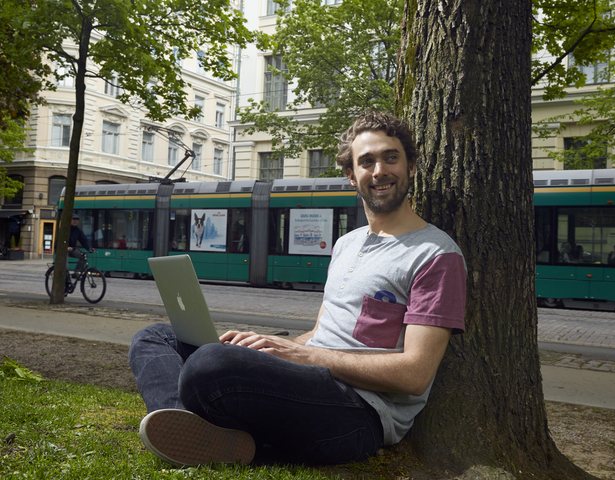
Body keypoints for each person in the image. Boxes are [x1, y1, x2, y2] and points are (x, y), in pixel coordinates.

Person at [128, 111, 467, 467]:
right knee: (155, 337)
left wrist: (302, 356)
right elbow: (322, 334)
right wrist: (269, 346)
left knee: (210, 364)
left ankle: (199, 427)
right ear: (353, 176)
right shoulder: (346, 245)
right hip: (306, 381)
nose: (380, 170)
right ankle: (184, 424)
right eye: (367, 161)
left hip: (360, 413)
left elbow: (415, 374)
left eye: (390, 157)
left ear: (411, 166)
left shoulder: (436, 254)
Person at [67, 213, 95, 278]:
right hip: (62, 249)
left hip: (72, 249)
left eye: (77, 220)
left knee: (83, 256)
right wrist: (66, 247)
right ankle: (66, 277)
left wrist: (89, 248)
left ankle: (77, 272)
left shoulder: (78, 231)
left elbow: (84, 241)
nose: (75, 221)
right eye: (73, 219)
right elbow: (60, 240)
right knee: (65, 268)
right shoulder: (65, 229)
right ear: (70, 220)